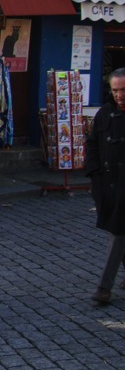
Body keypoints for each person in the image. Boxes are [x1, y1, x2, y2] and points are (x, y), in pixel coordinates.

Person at [85, 67, 125, 304]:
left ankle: (104, 288)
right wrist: (93, 173)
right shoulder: (104, 113)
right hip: (107, 185)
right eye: (116, 90)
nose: (120, 95)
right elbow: (92, 144)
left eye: (123, 90)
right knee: (118, 230)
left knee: (118, 233)